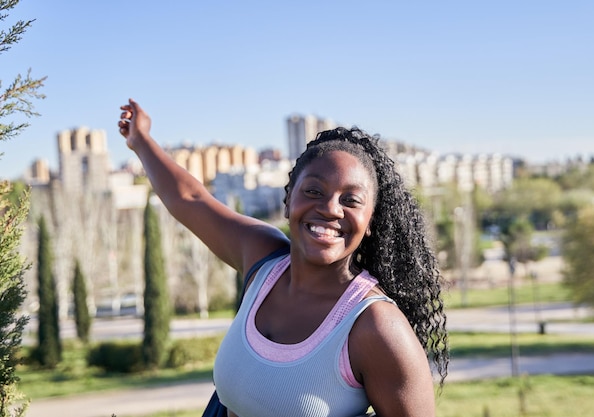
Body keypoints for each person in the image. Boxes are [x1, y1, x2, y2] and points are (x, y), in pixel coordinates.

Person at [118, 98, 449, 417]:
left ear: (371, 221)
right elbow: (190, 198)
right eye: (314, 191)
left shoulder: (375, 326)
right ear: (289, 199)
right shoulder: (263, 260)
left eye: (350, 200)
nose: (331, 208)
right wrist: (141, 141)